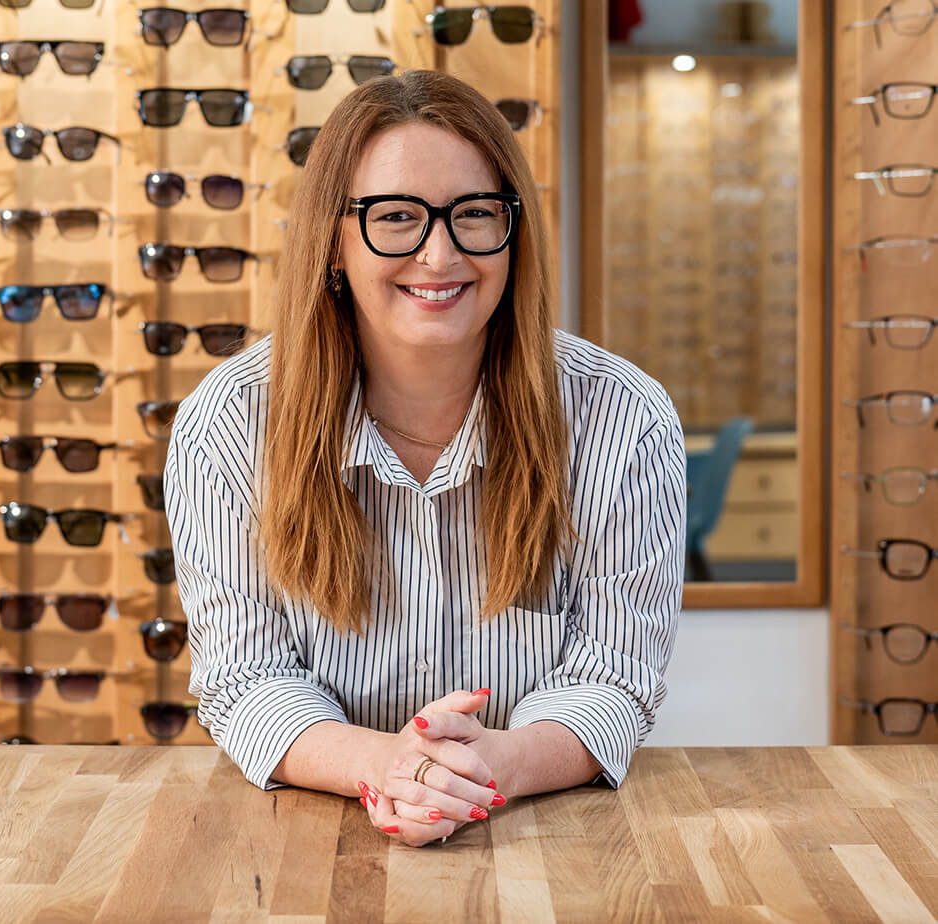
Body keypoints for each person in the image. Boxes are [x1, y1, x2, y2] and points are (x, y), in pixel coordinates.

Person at [164, 69, 685, 848]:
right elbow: (245, 681)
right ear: (332, 242)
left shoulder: (624, 418)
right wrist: (389, 766)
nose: (439, 255)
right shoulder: (229, 422)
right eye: (397, 217)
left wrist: (497, 763)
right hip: (307, 840)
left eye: (474, 214)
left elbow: (613, 676)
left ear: (514, 232)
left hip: (552, 838)